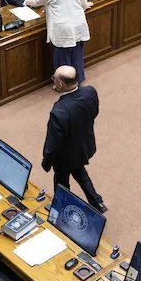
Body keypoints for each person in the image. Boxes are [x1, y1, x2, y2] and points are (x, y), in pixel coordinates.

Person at [42, 65, 105, 212]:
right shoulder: (90, 92)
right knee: (79, 171)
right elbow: (94, 112)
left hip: (64, 156)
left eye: (54, 79)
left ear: (61, 84)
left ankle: (60, 207)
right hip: (83, 145)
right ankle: (97, 202)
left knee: (61, 181)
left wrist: (47, 161)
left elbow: (53, 142)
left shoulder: (59, 111)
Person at [26, 0, 91, 82]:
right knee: (77, 56)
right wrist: (87, 4)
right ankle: (78, 80)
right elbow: (84, 4)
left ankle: (64, 85)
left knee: (63, 61)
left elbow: (37, 1)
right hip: (78, 24)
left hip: (63, 30)